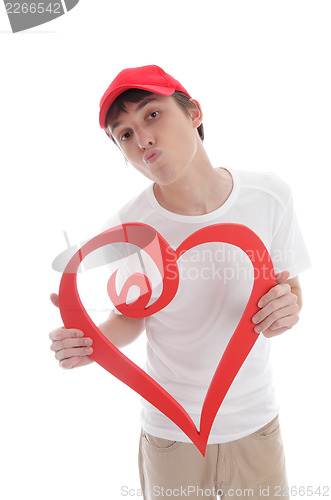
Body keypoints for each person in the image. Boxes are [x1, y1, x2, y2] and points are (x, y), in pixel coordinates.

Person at [49, 65, 311, 499]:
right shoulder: (129, 227)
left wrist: (289, 310)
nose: (143, 139)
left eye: (152, 115)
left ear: (194, 113)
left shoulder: (269, 196)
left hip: (256, 423)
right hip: (172, 435)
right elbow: (130, 317)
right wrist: (90, 341)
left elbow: (290, 292)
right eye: (125, 135)